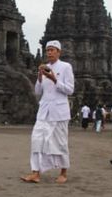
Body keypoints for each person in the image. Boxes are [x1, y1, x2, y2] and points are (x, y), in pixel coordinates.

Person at [20, 40, 74, 184]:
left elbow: (70, 89)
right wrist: (39, 77)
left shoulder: (65, 67)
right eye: (47, 50)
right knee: (36, 140)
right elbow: (38, 92)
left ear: (58, 52)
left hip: (59, 111)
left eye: (52, 50)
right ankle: (35, 173)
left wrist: (54, 79)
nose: (49, 52)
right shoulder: (45, 68)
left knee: (60, 142)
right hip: (44, 111)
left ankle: (63, 172)